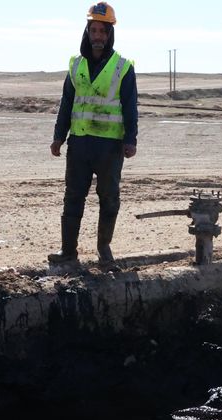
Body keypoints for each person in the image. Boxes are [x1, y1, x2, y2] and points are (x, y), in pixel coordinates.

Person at [48, 2, 139, 266]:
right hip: (80, 144)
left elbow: (130, 106)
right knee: (73, 196)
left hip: (110, 147)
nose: (98, 36)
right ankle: (68, 252)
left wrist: (131, 139)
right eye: (94, 31)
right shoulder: (76, 66)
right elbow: (67, 102)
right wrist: (58, 136)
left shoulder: (123, 67)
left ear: (110, 34)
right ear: (87, 32)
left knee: (109, 198)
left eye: (103, 31)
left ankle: (104, 249)